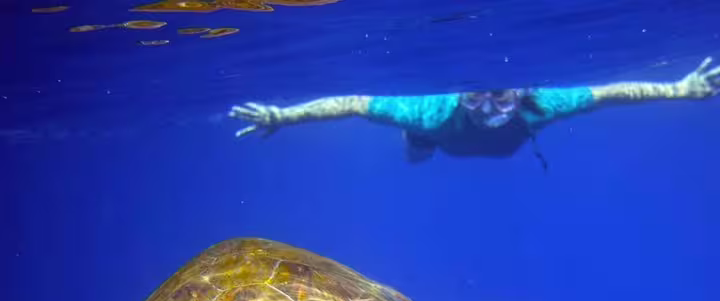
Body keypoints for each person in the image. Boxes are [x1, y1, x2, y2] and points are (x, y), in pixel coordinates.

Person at [228, 57, 719, 166]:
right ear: (460, 93)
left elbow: (611, 92)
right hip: (441, 141)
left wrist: (679, 89)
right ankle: (417, 147)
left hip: (505, 146)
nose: (488, 107)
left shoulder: (542, 104)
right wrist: (284, 116)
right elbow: (353, 103)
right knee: (416, 156)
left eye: (500, 97)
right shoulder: (428, 111)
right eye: (476, 96)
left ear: (520, 91)